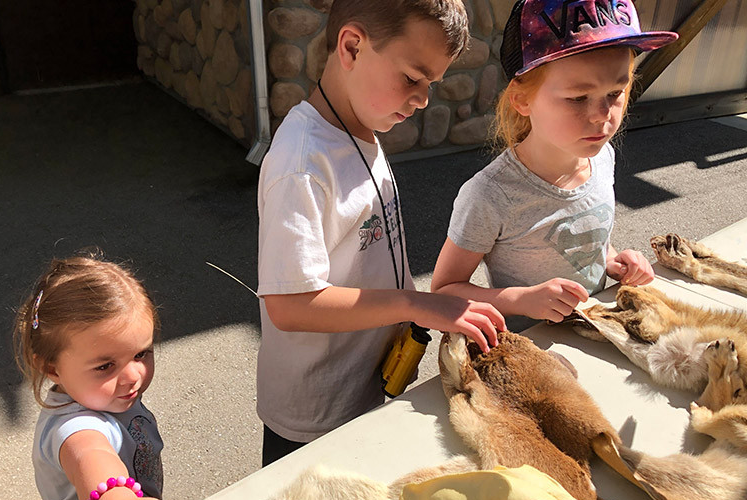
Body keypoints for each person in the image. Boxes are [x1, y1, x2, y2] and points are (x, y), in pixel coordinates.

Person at [257, 0, 506, 466]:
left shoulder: (359, 125)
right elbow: (289, 305)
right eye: (413, 78)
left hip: (363, 386)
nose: (423, 99)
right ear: (352, 46)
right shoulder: (302, 164)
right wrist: (416, 303)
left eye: (430, 84)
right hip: (315, 414)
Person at [431, 0, 677, 332]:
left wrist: (613, 262)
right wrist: (520, 300)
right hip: (531, 354)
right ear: (522, 99)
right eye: (578, 97)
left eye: (615, 92)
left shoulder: (602, 159)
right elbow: (443, 290)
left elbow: (591, 248)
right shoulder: (490, 194)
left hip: (598, 332)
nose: (602, 115)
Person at [13, 255, 192, 500]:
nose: (134, 375)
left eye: (140, 353)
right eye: (105, 366)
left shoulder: (107, 394)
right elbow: (90, 455)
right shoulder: (74, 429)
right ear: (52, 368)